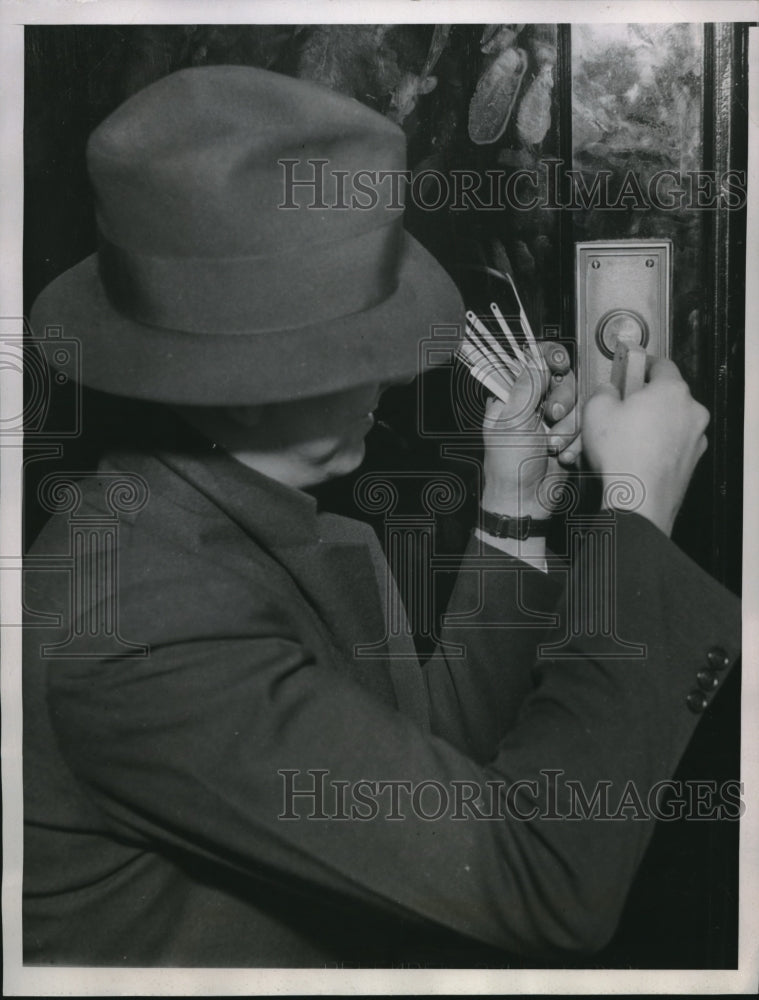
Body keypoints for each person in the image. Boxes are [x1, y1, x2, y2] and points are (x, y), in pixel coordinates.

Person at [23, 65, 739, 968]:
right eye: (361, 348)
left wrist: (513, 506)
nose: (395, 375)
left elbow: (430, 772)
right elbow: (538, 877)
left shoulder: (229, 523)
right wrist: (635, 508)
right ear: (245, 388)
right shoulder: (138, 633)